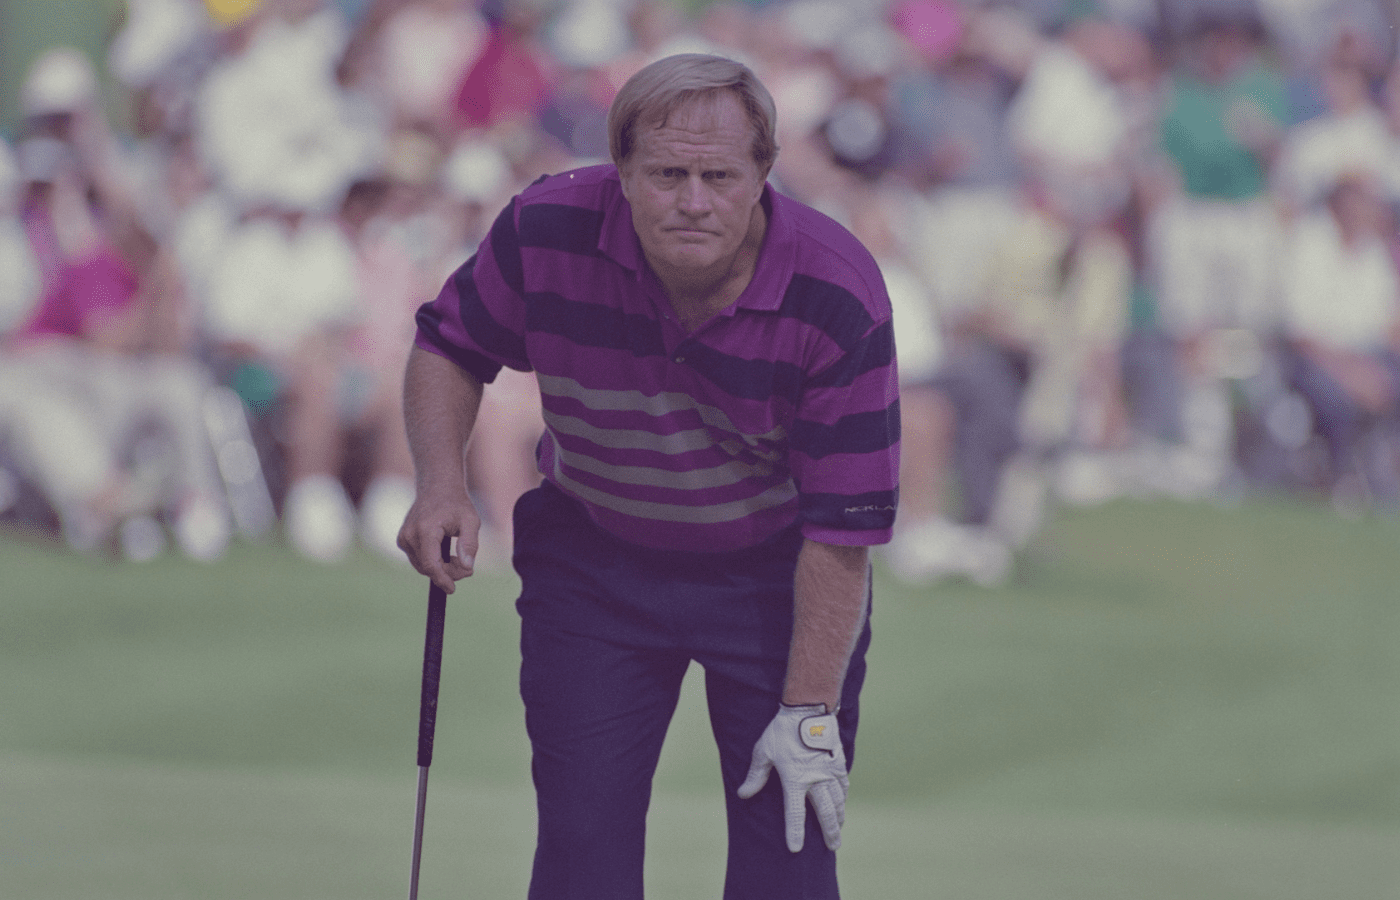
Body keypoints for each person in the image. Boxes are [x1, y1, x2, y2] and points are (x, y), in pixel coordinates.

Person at [397, 54, 899, 900]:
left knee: (790, 856)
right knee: (581, 848)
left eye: (718, 175)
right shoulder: (546, 228)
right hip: (596, 564)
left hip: (773, 577)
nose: (693, 200)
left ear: (762, 175)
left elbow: (840, 529)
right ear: (621, 170)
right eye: (666, 173)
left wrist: (809, 711)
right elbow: (450, 345)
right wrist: (442, 482)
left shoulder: (835, 292)